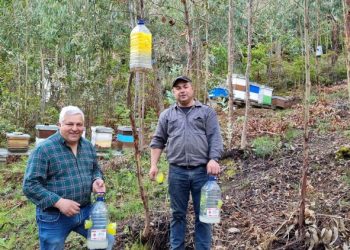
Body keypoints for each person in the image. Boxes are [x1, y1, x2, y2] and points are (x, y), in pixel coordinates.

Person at [149, 76, 224, 250]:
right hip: (177, 172)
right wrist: (153, 165)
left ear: (192, 89)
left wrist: (213, 159)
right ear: (173, 92)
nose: (182, 90)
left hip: (202, 173)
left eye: (185, 87)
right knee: (177, 215)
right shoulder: (167, 115)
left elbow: (215, 138)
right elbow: (158, 140)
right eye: (177, 88)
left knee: (203, 216)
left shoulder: (206, 112)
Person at [23, 106, 112, 250]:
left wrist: (96, 179)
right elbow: (30, 185)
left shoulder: (88, 147)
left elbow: (95, 169)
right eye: (69, 124)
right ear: (59, 125)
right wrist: (59, 202)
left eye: (79, 124)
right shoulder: (44, 150)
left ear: (84, 126)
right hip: (54, 217)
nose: (75, 128)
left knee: (106, 242)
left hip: (86, 211)